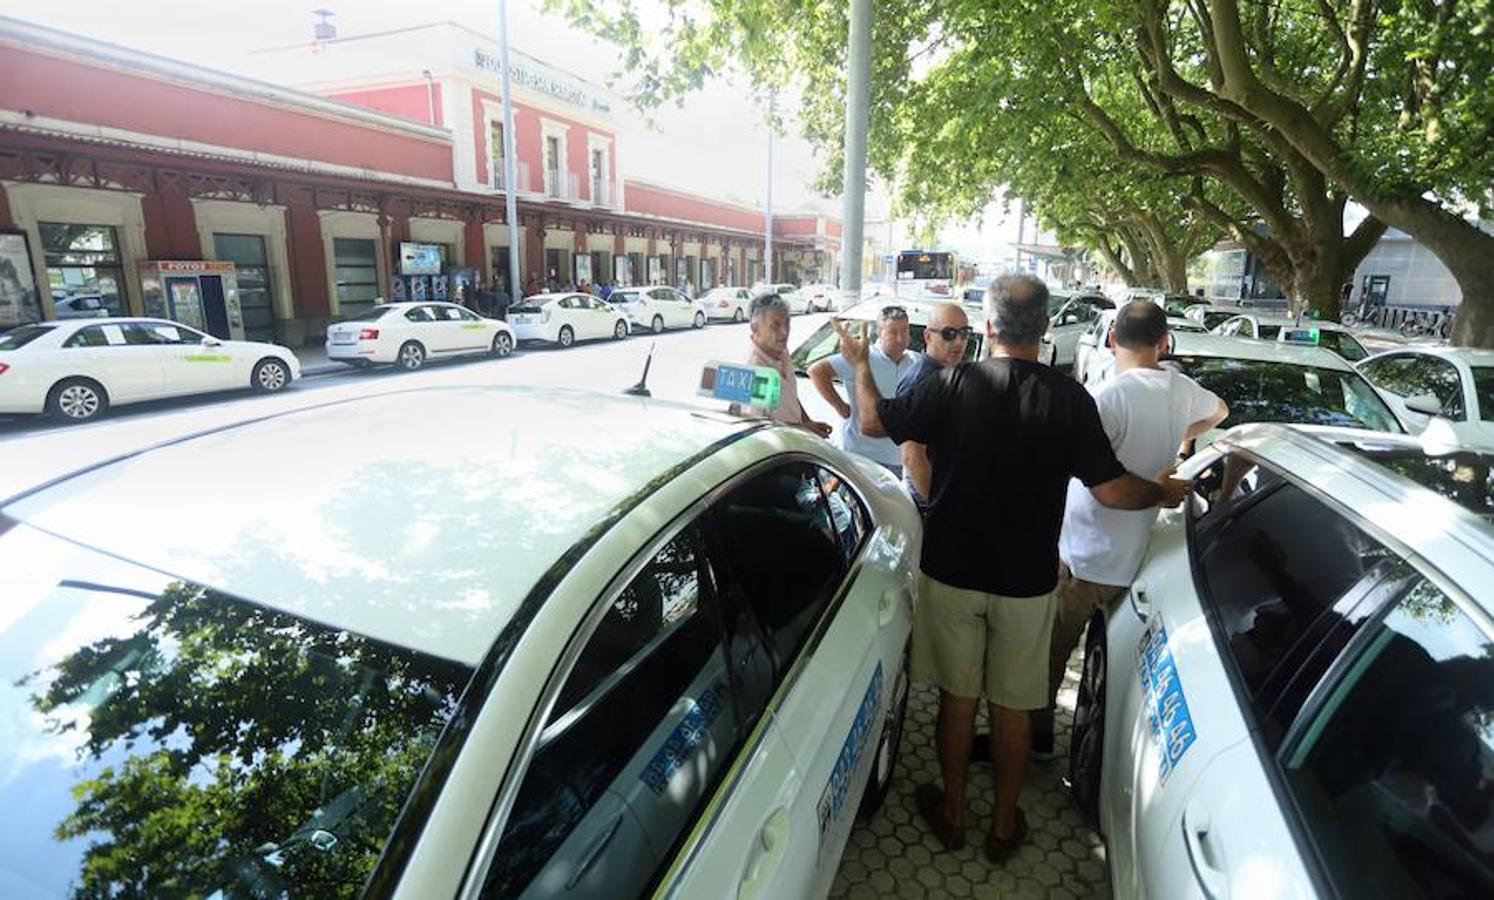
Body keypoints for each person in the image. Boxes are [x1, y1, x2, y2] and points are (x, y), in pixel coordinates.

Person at [833, 274, 1190, 863]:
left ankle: (952, 815)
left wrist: (859, 365)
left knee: (957, 699)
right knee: (1014, 705)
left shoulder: (951, 384)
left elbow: (871, 423)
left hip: (951, 571)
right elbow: (1111, 491)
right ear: (1046, 328)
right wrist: (1162, 492)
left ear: (988, 327)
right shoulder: (1071, 400)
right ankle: (1003, 827)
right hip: (1027, 583)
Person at [1032, 301, 1227, 758]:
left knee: (1049, 655)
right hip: (1132, 558)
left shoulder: (1107, 397)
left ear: (1111, 339)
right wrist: (1181, 435)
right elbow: (1220, 411)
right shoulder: (1179, 388)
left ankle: (1036, 740)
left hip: (1083, 556)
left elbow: (1100, 487)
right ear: (1164, 343)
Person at [807, 305, 920, 475]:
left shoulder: (915, 362)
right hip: (859, 456)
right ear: (879, 332)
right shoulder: (863, 356)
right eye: (893, 332)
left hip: (898, 461)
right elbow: (817, 371)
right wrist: (841, 408)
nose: (900, 338)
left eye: (904, 331)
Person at [895, 302, 973, 509]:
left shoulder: (948, 375)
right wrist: (938, 507)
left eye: (964, 333)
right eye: (949, 333)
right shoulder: (921, 381)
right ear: (928, 336)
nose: (959, 341)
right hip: (927, 502)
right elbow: (912, 456)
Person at [735, 293, 832, 437]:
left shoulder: (780, 350)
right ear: (755, 328)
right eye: (775, 325)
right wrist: (804, 432)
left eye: (787, 323)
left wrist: (807, 422)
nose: (784, 332)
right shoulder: (755, 371)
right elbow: (758, 432)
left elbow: (790, 395)